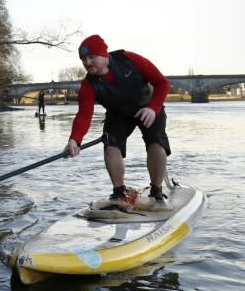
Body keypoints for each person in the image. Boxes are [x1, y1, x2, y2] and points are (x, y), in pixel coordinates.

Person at [65, 35, 171, 209]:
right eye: (83, 59)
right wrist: (74, 140)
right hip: (119, 113)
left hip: (148, 107)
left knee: (156, 141)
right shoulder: (88, 85)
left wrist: (153, 107)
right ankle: (119, 193)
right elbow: (84, 115)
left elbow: (162, 83)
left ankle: (156, 192)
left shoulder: (129, 59)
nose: (87, 62)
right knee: (110, 143)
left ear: (104, 55)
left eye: (92, 57)